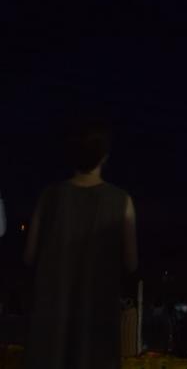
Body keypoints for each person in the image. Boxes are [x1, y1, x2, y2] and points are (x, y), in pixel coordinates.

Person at [24, 122, 137, 369]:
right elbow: (131, 263)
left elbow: (29, 256)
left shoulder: (49, 197)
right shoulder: (121, 201)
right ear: (105, 156)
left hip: (51, 323)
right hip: (97, 322)